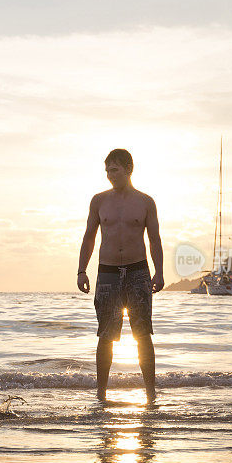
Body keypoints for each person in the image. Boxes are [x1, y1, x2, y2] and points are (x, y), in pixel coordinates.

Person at [77, 149, 163, 402]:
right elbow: (89, 237)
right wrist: (82, 270)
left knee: (143, 333)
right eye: (106, 170)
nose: (109, 175)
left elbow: (155, 239)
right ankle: (101, 394)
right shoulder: (99, 201)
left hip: (138, 271)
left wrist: (159, 272)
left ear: (128, 169)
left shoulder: (146, 202)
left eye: (114, 170)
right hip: (108, 272)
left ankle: (150, 394)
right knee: (106, 334)